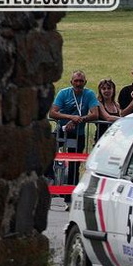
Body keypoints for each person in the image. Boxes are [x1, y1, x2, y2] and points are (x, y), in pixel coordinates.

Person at [48, 70, 99, 209]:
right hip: (62, 132)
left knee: (74, 166)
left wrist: (79, 120)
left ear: (85, 82)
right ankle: (50, 182)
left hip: (79, 134)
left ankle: (69, 198)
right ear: (71, 82)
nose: (78, 83)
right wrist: (70, 118)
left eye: (81, 81)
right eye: (76, 81)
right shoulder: (64, 93)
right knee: (48, 156)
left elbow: (95, 114)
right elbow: (52, 112)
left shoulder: (88, 94)